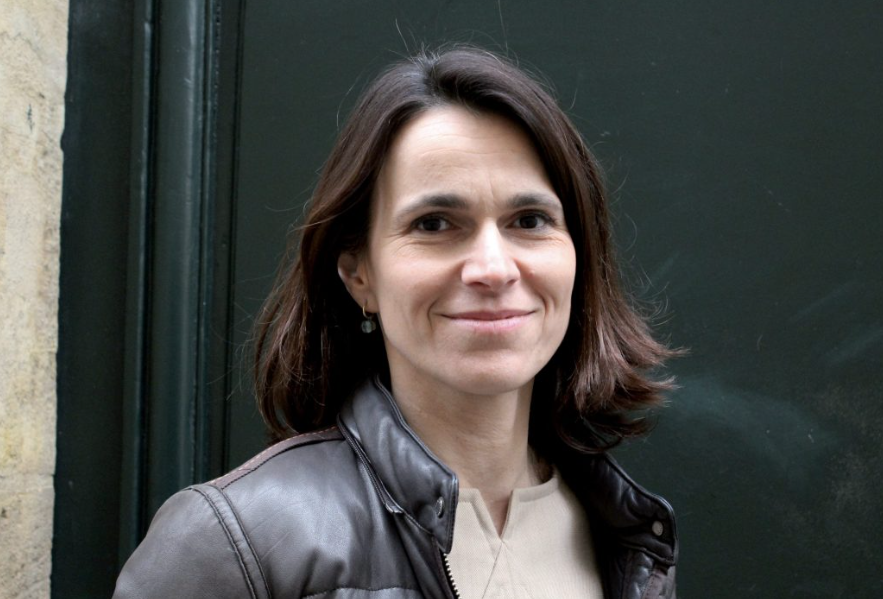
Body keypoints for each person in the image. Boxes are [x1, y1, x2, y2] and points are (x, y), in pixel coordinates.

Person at [114, 46, 679, 599]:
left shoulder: (629, 540)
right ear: (358, 274)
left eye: (530, 220)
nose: (493, 268)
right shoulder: (235, 545)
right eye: (434, 224)